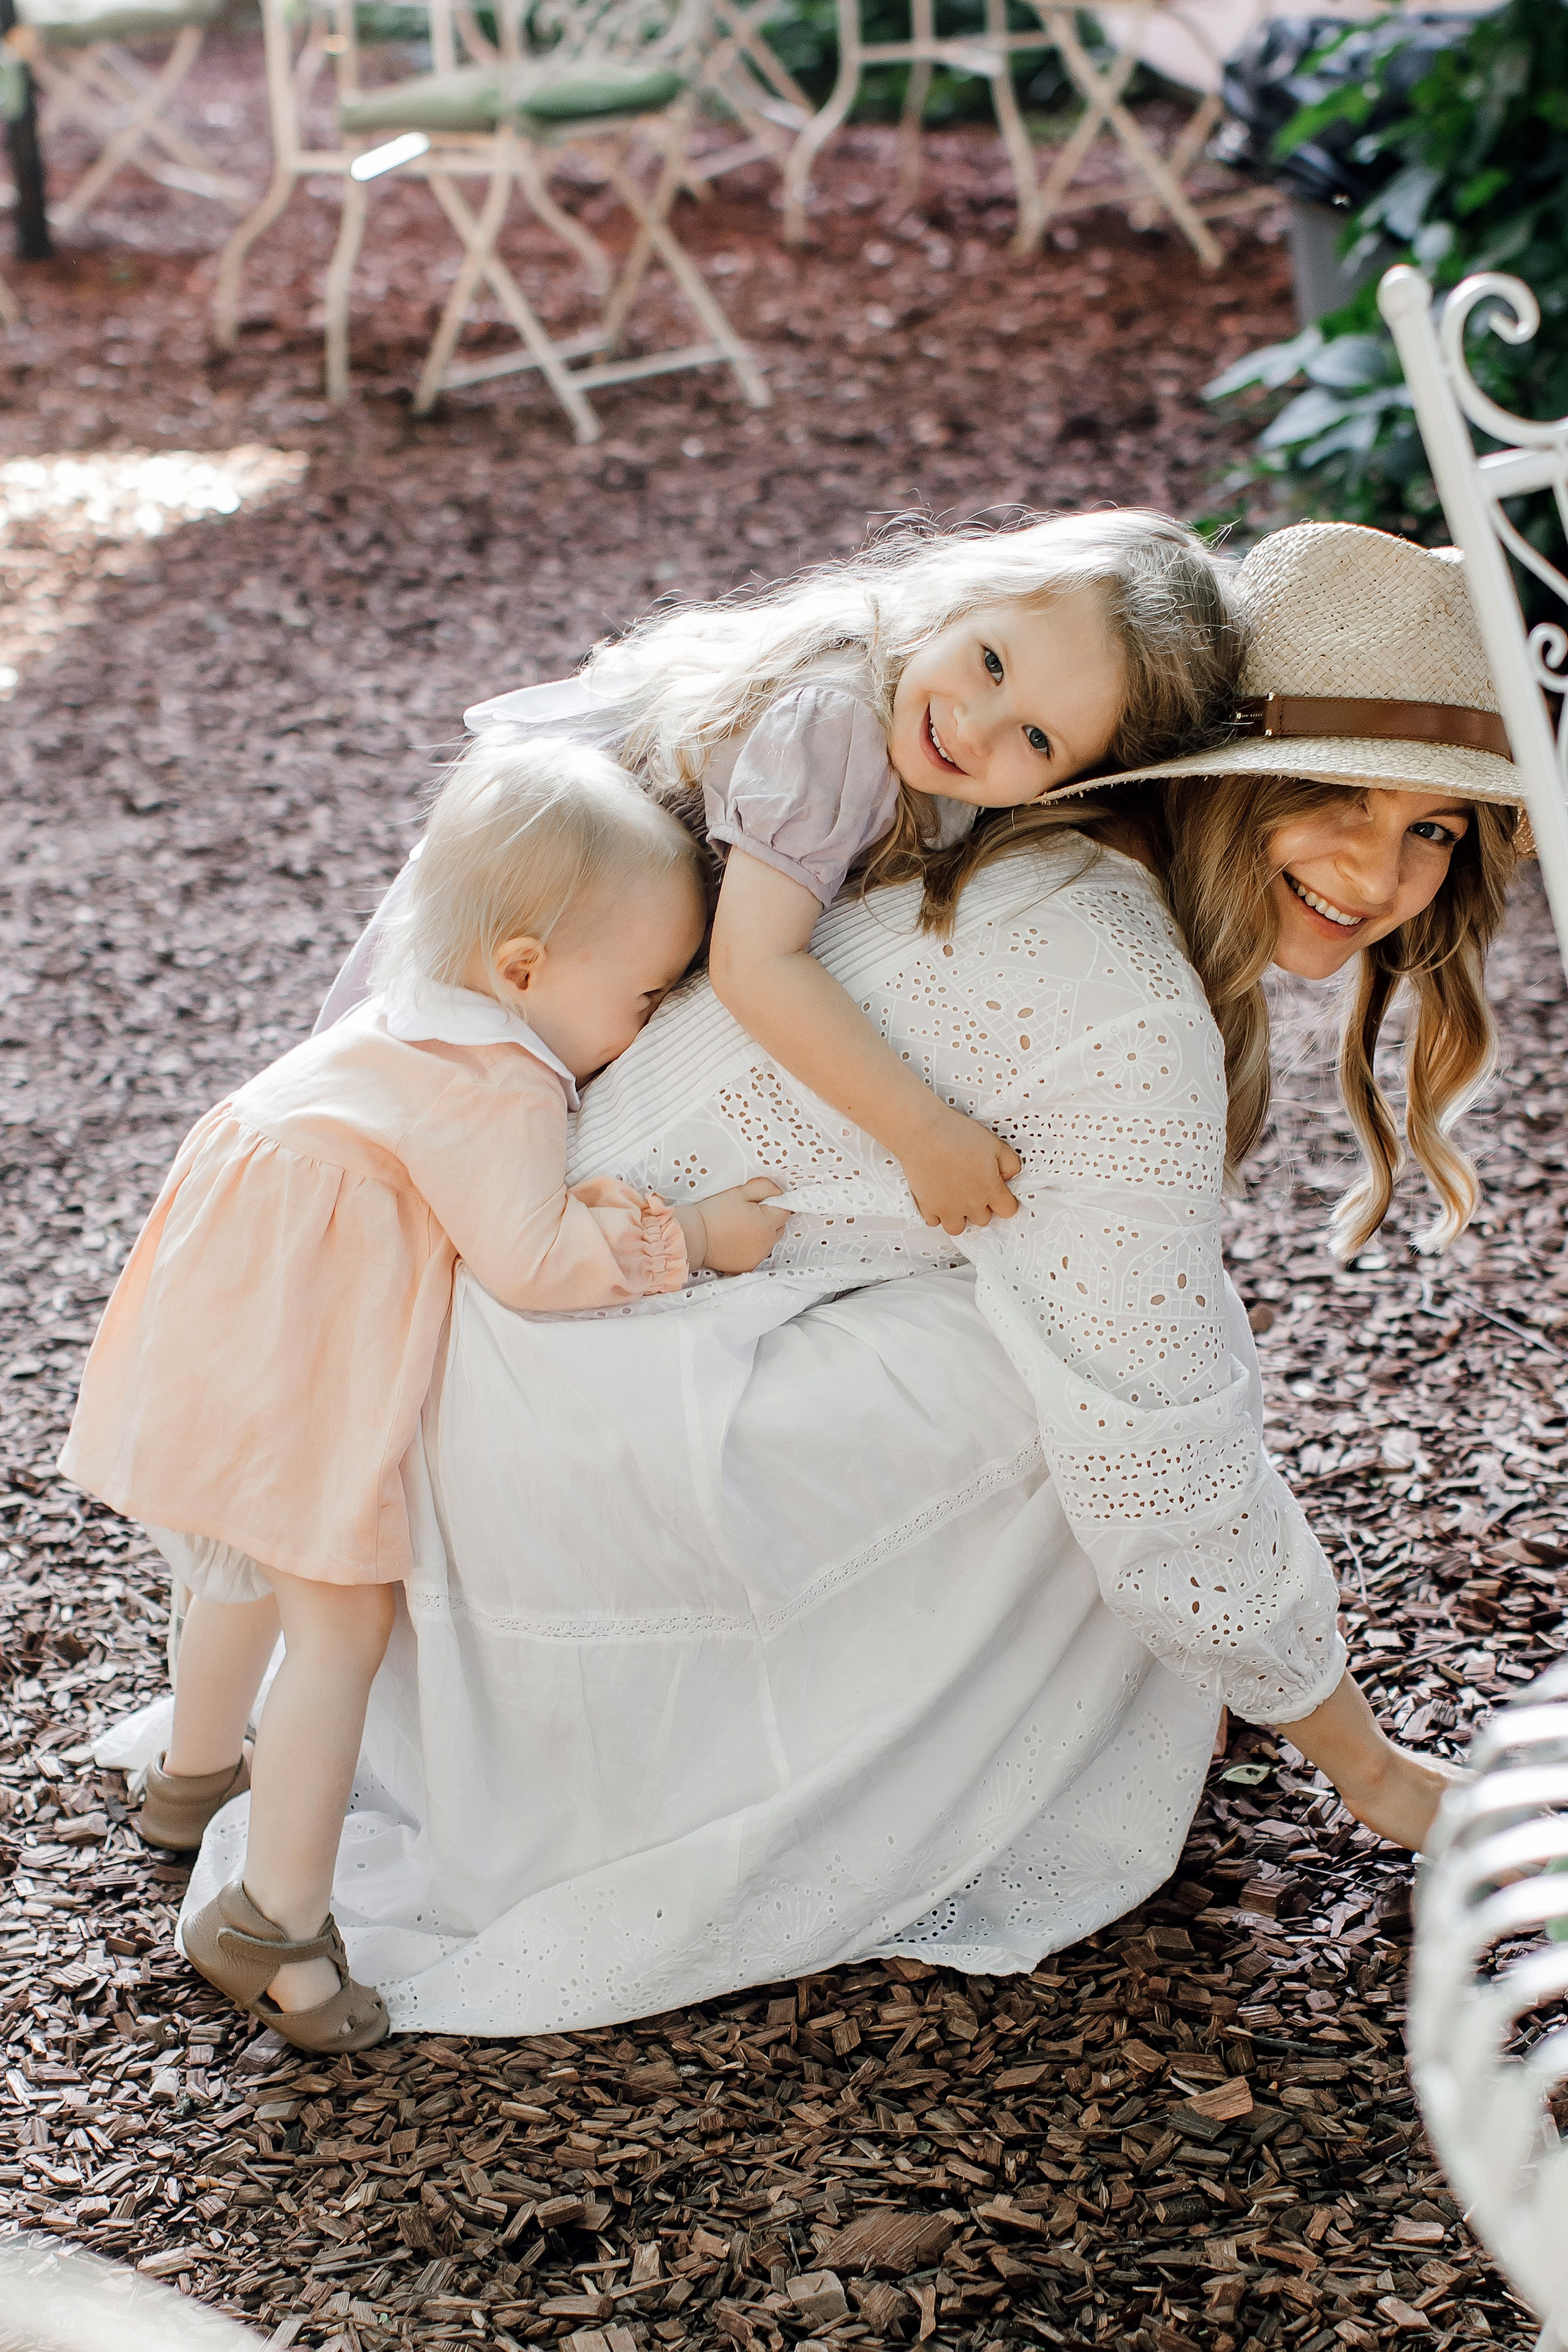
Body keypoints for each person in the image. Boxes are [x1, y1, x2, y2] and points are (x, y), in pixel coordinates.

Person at [137, 518, 1522, 2040]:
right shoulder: (1116, 998)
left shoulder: (1001, 836)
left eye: (1433, 830)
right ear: (1216, 779)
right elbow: (1157, 1456)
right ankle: (773, 1770)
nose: (1377, 871)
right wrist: (1366, 1767)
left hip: (475, 1332)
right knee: (1054, 1386)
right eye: (1331, 801)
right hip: (535, 1403)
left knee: (1071, 1329)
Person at [59, 740, 788, 2052]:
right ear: (523, 972)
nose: (643, 1026)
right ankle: (275, 1921)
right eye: (640, 997)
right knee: (340, 1629)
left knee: (233, 1564)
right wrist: (693, 1234)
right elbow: (536, 1264)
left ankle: (191, 1779)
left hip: (219, 1297)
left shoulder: (399, 1018)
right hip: (300, 1347)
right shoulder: (501, 1080)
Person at [320, 510, 1241, 1237]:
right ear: (961, 600)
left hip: (583, 946)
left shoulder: (934, 740)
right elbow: (757, 963)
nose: (976, 726)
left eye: (1038, 738)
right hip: (529, 932)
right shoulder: (839, 724)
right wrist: (922, 1133)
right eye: (991, 661)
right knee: (400, 1175)